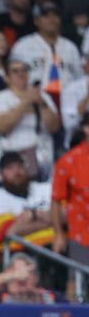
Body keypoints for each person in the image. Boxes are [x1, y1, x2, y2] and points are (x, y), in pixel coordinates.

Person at [0, 58, 59, 182]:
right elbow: (2, 126)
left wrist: (41, 103)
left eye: (24, 70)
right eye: (15, 71)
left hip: (40, 156)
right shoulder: (1, 98)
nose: (20, 74)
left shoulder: (43, 97)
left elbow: (54, 127)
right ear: (7, 77)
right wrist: (26, 101)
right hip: (11, 155)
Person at [10, 1, 83, 110]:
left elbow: (80, 79)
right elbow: (14, 78)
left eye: (55, 15)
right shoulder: (23, 45)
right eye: (46, 16)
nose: (51, 19)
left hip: (69, 104)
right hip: (37, 104)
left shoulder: (71, 47)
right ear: (36, 21)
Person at [0, 152, 53, 249]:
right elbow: (8, 232)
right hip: (20, 254)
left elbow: (67, 215)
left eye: (20, 166)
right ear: (1, 174)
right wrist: (51, 220)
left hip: (59, 246)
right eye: (10, 168)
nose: (17, 172)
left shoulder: (45, 188)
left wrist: (32, 215)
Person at [52, 113, 89, 298]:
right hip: (82, 232)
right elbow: (57, 200)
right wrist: (59, 233)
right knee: (75, 281)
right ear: (86, 129)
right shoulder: (68, 161)